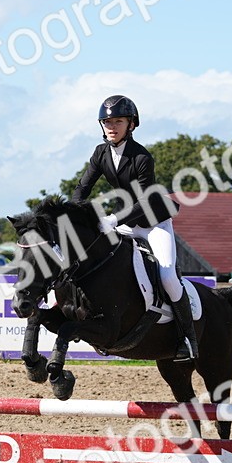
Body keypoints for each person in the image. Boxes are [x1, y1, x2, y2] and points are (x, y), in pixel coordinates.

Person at [69, 94, 196, 362]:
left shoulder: (142, 157)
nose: (111, 127)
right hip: (126, 224)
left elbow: (144, 201)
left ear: (131, 124)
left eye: (118, 121)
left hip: (153, 223)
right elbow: (82, 188)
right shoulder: (100, 152)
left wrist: (113, 220)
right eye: (106, 122)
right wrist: (72, 215)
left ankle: (187, 338)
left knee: (168, 277)